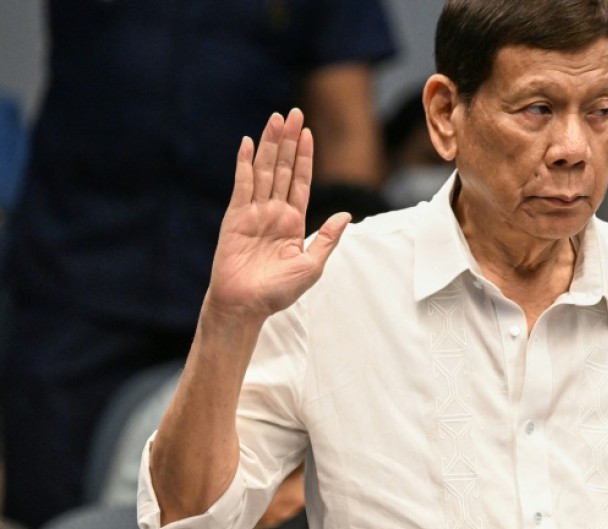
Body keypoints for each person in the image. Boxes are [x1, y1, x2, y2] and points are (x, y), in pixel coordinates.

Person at [139, 1, 608, 527]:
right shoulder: (335, 284)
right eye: (538, 110)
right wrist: (227, 321)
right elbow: (187, 518)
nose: (574, 149)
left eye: (599, 111)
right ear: (446, 115)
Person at [0, 1, 396, 527]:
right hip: (74, 272)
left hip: (246, 277)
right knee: (51, 505)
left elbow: (345, 125)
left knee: (239, 505)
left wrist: (349, 289)